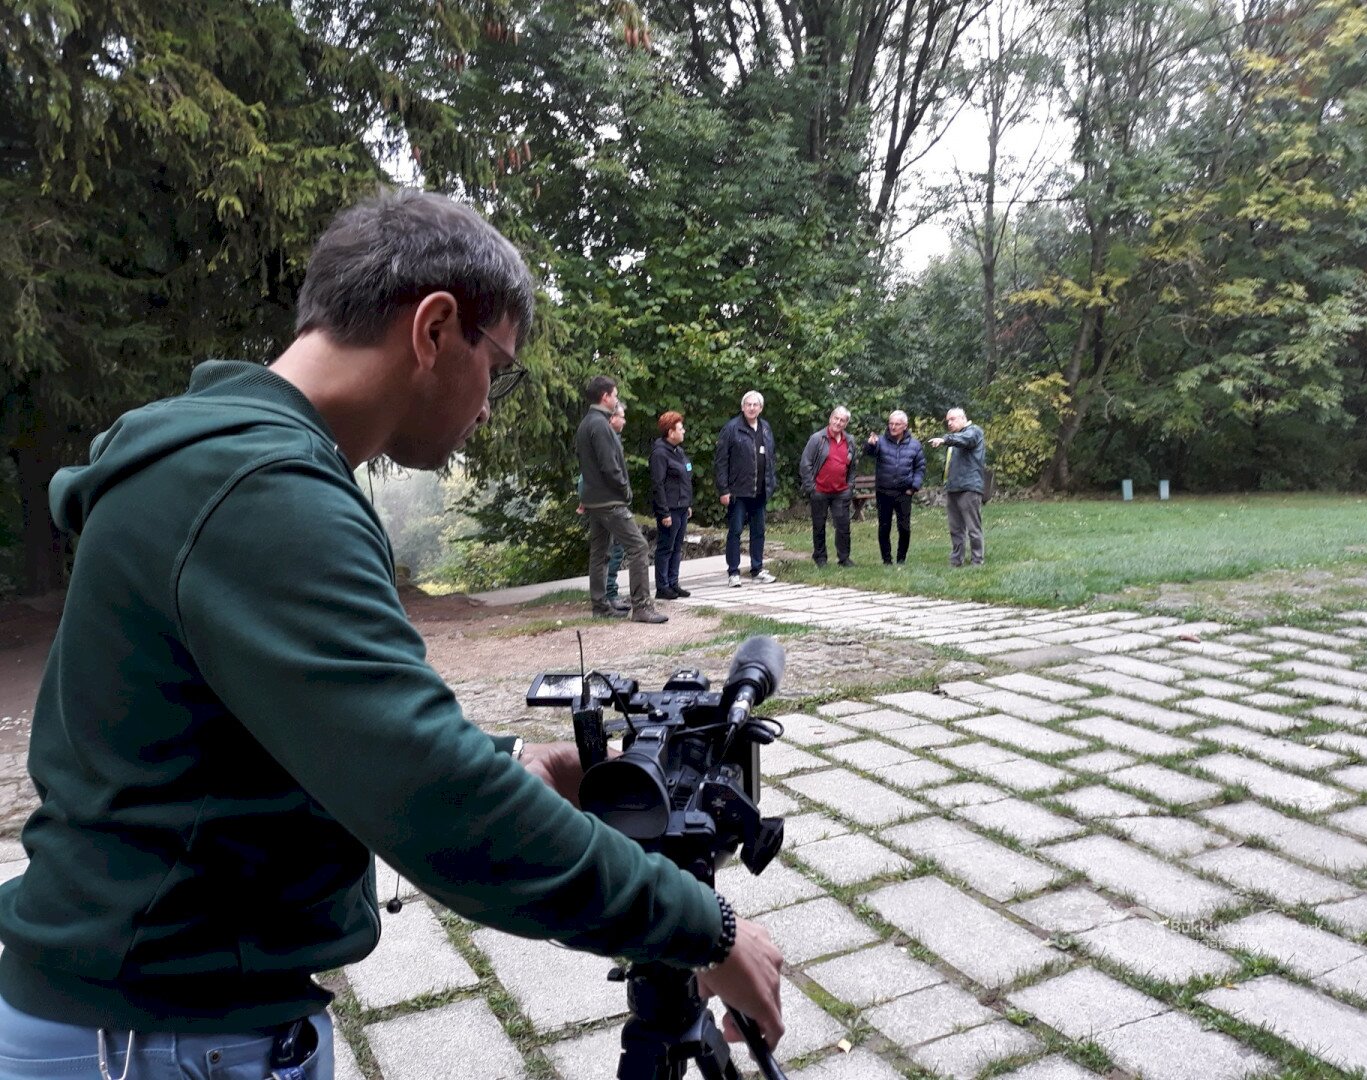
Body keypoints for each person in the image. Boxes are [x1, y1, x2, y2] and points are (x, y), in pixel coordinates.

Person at [0, 190, 783, 1077]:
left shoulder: (230, 465)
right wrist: (704, 927)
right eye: (499, 368)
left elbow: (317, 735)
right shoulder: (262, 493)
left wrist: (510, 759)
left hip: (165, 1014)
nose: (489, 406)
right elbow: (440, 803)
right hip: (153, 1038)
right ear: (434, 328)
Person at [576, 377, 667, 624]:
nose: (616, 399)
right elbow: (609, 466)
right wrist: (624, 490)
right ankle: (642, 607)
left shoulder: (586, 424)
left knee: (599, 553)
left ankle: (600, 607)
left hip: (594, 500)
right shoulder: (601, 425)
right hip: (610, 501)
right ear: (605, 396)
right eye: (615, 395)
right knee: (639, 547)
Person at [714, 391, 777, 588]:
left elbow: (771, 458)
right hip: (738, 491)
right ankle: (733, 572)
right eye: (748, 404)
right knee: (735, 531)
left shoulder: (765, 428)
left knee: (758, 531)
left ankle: (757, 569)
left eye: (755, 405)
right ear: (742, 407)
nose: (751, 408)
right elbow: (721, 461)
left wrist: (771, 483)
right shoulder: (731, 428)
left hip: (760, 490)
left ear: (761, 408)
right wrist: (723, 489)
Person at [577, 402, 631, 613]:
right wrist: (624, 491)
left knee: (609, 551)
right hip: (608, 503)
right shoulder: (603, 437)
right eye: (622, 417)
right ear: (612, 418)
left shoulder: (612, 437)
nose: (624, 421)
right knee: (618, 550)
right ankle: (609, 596)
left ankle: (608, 597)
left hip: (606, 501)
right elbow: (592, 473)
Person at [864, 410, 926, 565]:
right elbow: (869, 452)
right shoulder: (880, 441)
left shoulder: (915, 445)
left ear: (905, 426)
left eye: (897, 424)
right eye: (891, 423)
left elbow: (920, 467)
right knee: (884, 527)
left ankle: (901, 559)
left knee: (904, 528)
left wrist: (914, 487)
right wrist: (870, 444)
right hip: (884, 491)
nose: (893, 427)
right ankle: (886, 560)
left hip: (904, 492)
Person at [798, 407, 857, 567]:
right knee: (819, 525)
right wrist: (811, 487)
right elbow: (805, 464)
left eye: (842, 420)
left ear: (846, 423)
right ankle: (820, 558)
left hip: (841, 491)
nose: (838, 422)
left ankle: (844, 558)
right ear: (830, 418)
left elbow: (853, 466)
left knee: (843, 526)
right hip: (819, 490)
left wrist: (850, 486)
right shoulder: (817, 439)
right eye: (836, 418)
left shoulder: (849, 440)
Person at [930, 407, 987, 567]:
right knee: (955, 528)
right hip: (953, 488)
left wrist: (945, 439)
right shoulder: (955, 438)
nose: (949, 423)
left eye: (953, 419)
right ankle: (956, 560)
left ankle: (977, 560)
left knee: (973, 527)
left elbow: (966, 440)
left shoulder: (973, 431)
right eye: (948, 420)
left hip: (969, 487)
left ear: (963, 418)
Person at [650, 410, 693, 600]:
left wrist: (687, 503)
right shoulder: (659, 453)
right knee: (666, 547)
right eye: (680, 428)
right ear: (670, 432)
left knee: (677, 547)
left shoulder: (679, 452)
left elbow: (685, 477)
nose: (683, 431)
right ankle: (662, 586)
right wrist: (664, 512)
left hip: (682, 506)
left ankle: (673, 582)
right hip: (669, 508)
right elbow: (657, 484)